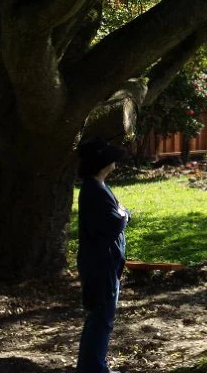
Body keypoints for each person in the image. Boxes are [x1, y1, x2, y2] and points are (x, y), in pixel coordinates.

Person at [76, 139, 130, 373]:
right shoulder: (94, 190)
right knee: (101, 319)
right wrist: (123, 215)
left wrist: (122, 214)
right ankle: (94, 369)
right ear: (101, 163)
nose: (114, 160)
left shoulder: (99, 187)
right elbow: (115, 221)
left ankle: (91, 367)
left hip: (105, 262)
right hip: (99, 264)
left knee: (100, 318)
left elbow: (120, 214)